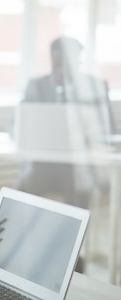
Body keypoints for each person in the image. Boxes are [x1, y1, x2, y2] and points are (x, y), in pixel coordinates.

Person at [15, 36, 115, 209]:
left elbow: (109, 128)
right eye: (57, 64)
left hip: (79, 165)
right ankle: (29, 230)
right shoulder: (36, 86)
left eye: (66, 64)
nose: (61, 70)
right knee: (25, 187)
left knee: (78, 185)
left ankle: (73, 231)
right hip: (43, 164)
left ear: (78, 61)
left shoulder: (94, 86)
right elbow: (15, 125)